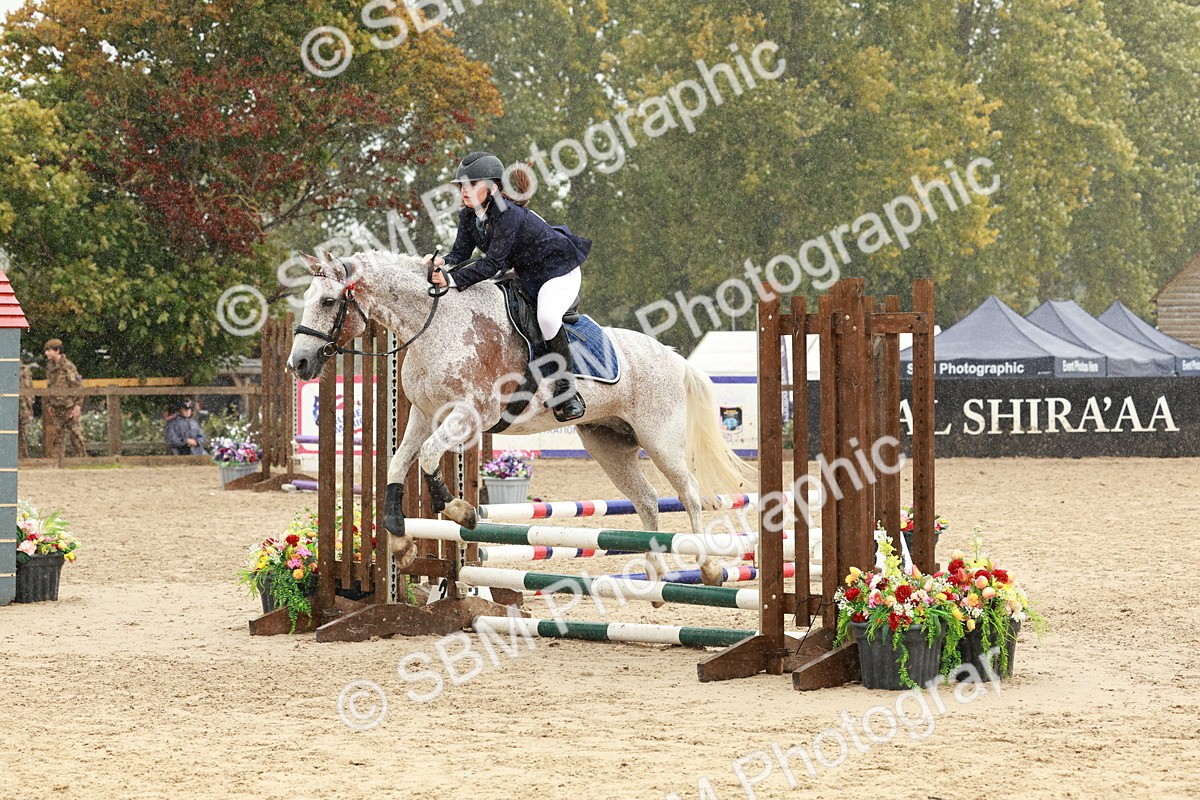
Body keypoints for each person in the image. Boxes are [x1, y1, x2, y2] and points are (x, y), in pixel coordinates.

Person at [426, 151, 590, 422]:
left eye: (472, 185)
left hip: (558, 270)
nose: (465, 191)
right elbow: (461, 253)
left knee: (547, 318)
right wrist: (440, 261)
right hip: (524, 273)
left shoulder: (507, 213)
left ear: (492, 188)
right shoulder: (468, 215)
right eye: (462, 186)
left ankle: (567, 391)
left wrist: (451, 281)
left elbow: (491, 264)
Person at [43, 338, 86, 459]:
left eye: (48, 350)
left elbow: (79, 387)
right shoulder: (50, 368)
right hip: (57, 407)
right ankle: (58, 465)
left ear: (57, 351)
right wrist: (50, 404)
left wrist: (77, 406)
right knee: (58, 439)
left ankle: (83, 461)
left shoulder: (68, 367)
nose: (46, 353)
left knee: (76, 437)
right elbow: (50, 386)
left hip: (69, 407)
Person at [17, 362, 32, 459]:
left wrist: (30, 406)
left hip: (23, 406)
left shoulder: (25, 370)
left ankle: (23, 457)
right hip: (6, 407)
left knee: (23, 434)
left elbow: (29, 388)